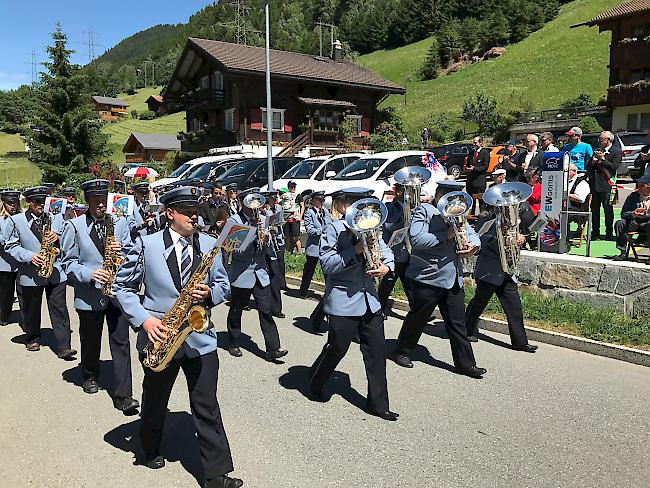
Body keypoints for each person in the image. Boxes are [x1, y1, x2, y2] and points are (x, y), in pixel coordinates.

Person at [112, 186, 242, 488]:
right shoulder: (146, 244)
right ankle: (148, 448)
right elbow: (123, 288)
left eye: (195, 212)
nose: (193, 217)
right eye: (186, 212)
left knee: (206, 403)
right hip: (160, 335)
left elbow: (224, 285)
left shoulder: (209, 245)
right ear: (170, 213)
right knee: (156, 400)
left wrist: (211, 294)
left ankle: (216, 474)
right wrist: (144, 320)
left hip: (200, 336)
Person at [309, 188, 398, 421]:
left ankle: (378, 404)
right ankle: (316, 382)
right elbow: (328, 265)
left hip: (369, 301)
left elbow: (386, 253)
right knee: (337, 348)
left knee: (376, 352)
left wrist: (386, 267)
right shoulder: (333, 229)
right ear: (343, 205)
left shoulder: (373, 229)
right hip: (343, 301)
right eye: (354, 204)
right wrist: (355, 249)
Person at [393, 181, 486, 378]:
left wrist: (474, 247)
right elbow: (416, 239)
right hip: (428, 277)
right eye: (447, 197)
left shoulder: (458, 214)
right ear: (438, 195)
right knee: (418, 317)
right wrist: (447, 235)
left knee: (457, 323)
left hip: (452, 278)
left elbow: (472, 235)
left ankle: (465, 364)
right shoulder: (425, 211)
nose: (452, 202)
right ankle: (402, 350)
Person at [59, 179, 138, 412]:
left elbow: (134, 256)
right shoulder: (74, 226)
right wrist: (91, 274)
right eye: (96, 201)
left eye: (104, 200)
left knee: (121, 343)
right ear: (87, 202)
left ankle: (124, 395)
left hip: (116, 293)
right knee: (91, 341)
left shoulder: (121, 224)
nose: (101, 205)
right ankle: (89, 374)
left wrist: (121, 253)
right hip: (89, 294)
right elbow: (68, 264)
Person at [4, 186, 75, 358]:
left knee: (59, 309)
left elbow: (69, 239)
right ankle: (32, 337)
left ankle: (64, 345)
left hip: (55, 271)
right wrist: (30, 256)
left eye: (44, 201)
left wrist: (58, 237)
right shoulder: (16, 220)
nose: (41, 205)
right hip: (30, 273)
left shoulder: (56, 217)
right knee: (31, 309)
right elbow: (11, 245)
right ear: (28, 202)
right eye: (37, 202)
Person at [465, 200, 538, 352]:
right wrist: (503, 240)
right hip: (489, 270)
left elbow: (517, 237)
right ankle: (467, 330)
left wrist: (520, 239)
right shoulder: (487, 219)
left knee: (514, 307)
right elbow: (481, 240)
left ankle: (520, 341)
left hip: (507, 271)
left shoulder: (513, 221)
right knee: (479, 303)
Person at [225, 188, 287, 361]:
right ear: (242, 203)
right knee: (236, 310)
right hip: (241, 274)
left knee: (266, 310)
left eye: (257, 203)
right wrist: (253, 232)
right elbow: (233, 248)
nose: (255, 208)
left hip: (260, 273)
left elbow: (266, 249)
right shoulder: (234, 220)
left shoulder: (263, 220)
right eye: (251, 203)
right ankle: (233, 341)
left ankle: (272, 348)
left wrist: (266, 240)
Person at [377, 182, 411, 312]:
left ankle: (415, 308)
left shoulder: (412, 206)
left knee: (409, 283)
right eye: (407, 190)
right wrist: (405, 217)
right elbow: (389, 226)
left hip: (408, 252)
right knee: (388, 282)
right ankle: (379, 308)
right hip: (394, 251)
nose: (410, 194)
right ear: (398, 192)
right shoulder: (390, 206)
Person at [587, 131, 621, 240]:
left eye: (601, 139)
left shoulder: (616, 152)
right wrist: (592, 162)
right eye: (599, 139)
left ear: (608, 140)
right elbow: (588, 166)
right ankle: (595, 232)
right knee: (595, 210)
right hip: (595, 185)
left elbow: (614, 166)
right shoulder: (597, 150)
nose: (599, 141)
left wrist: (602, 160)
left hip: (607, 185)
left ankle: (609, 232)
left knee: (608, 210)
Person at [299, 191, 331, 298]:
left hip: (325, 247)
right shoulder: (309, 213)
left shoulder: (325, 212)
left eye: (322, 200)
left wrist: (324, 216)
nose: (321, 202)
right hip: (314, 247)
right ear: (313, 201)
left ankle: (329, 293)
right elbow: (310, 230)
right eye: (318, 200)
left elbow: (330, 225)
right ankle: (303, 291)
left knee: (327, 271)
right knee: (309, 271)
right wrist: (323, 231)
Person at [261, 189, 286, 318]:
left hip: (273, 247)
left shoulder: (276, 209)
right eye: (270, 199)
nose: (272, 201)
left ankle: (276, 308)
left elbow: (279, 225)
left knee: (275, 276)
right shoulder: (260, 213)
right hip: (261, 250)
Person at [614, 174, 650, 259]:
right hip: (635, 222)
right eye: (638, 185)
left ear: (648, 187)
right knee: (620, 223)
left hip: (647, 223)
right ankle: (622, 252)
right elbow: (623, 213)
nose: (639, 188)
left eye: (641, 186)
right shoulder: (633, 196)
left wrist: (646, 215)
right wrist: (633, 213)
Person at [0, 189, 21, 326]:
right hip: (5, 263)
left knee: (23, 293)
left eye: (15, 203)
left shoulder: (21, 218)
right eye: (9, 203)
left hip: (20, 262)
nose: (12, 206)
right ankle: (4, 316)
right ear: (3, 204)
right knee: (5, 293)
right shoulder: (1, 219)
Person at [566, 163, 591, 233]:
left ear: (574, 171)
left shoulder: (582, 182)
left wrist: (565, 195)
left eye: (566, 170)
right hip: (566, 208)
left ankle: (565, 239)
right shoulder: (564, 181)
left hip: (579, 211)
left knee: (562, 216)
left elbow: (580, 199)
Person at [280, 181, 304, 253]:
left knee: (296, 237)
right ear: (288, 187)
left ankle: (299, 252)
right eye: (291, 187)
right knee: (286, 236)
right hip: (286, 218)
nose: (293, 188)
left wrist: (300, 216)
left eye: (294, 187)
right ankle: (287, 251)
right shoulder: (285, 196)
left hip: (295, 219)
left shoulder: (298, 195)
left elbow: (302, 206)